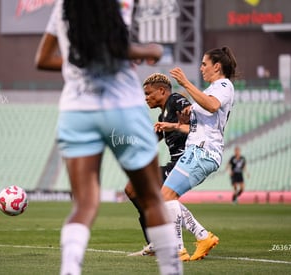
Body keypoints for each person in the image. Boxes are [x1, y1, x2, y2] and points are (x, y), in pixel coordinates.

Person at [35, 1, 182, 274]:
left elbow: (42, 60)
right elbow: (112, 47)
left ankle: (69, 269)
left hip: (77, 110)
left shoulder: (64, 7)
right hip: (122, 107)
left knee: (84, 203)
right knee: (151, 197)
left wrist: (78, 65)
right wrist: (150, 50)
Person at [161, 46, 237, 261]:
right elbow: (200, 126)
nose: (201, 67)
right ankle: (202, 237)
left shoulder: (223, 85)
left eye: (204, 63)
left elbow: (212, 106)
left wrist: (185, 83)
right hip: (198, 151)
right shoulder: (213, 89)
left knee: (166, 196)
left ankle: (179, 250)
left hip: (202, 152)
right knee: (167, 197)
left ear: (217, 66)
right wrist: (175, 125)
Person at [125, 73, 191, 259]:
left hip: (186, 161)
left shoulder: (175, 100)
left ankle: (160, 242)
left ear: (162, 91)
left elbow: (192, 117)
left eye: (148, 93)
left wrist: (185, 118)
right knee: (136, 191)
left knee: (135, 189)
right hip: (177, 162)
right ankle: (157, 241)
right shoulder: (164, 114)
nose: (146, 98)